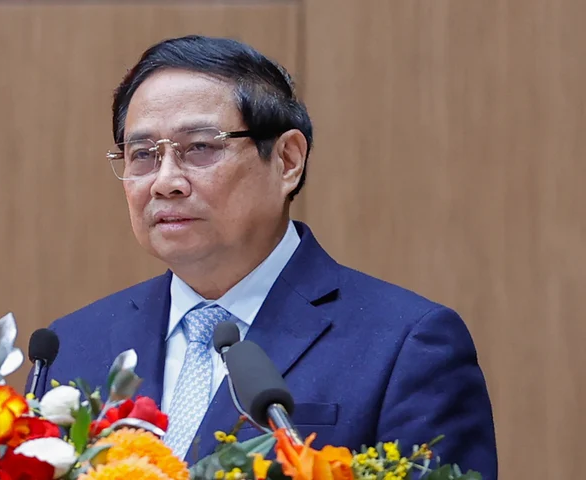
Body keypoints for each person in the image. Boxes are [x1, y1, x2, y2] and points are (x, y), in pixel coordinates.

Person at [31, 35, 497, 477]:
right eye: (142, 154)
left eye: (200, 148)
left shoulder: (407, 345)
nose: (165, 181)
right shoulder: (72, 346)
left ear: (287, 160)